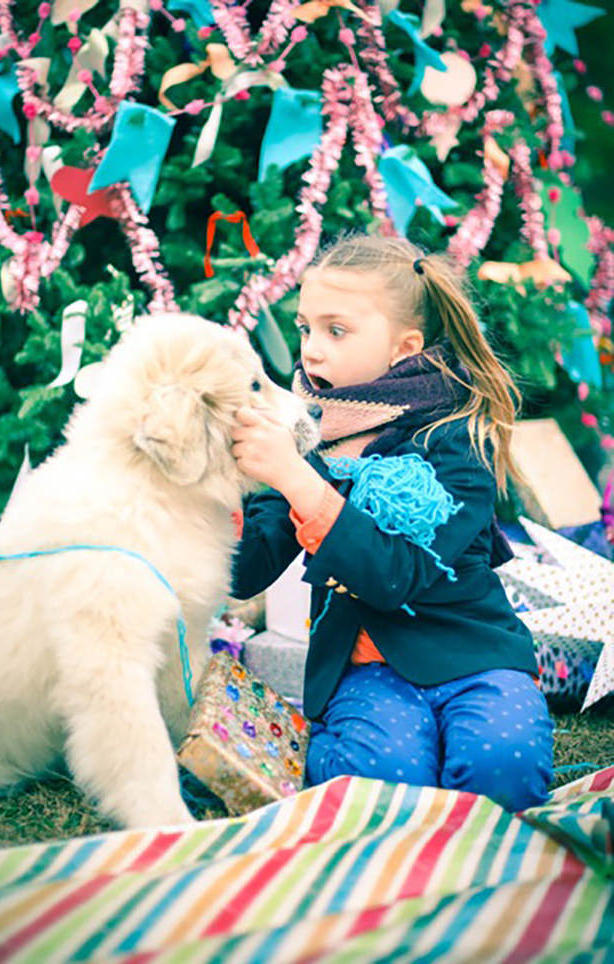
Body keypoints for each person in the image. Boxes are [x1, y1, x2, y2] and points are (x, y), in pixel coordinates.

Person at [230, 234, 553, 813]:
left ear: (405, 348)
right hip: (366, 670)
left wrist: (299, 480)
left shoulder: (456, 437)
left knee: (498, 768)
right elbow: (245, 569)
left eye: (336, 330)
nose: (312, 352)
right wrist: (216, 491)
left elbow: (397, 574)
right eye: (305, 329)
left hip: (473, 655)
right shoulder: (304, 438)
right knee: (382, 788)